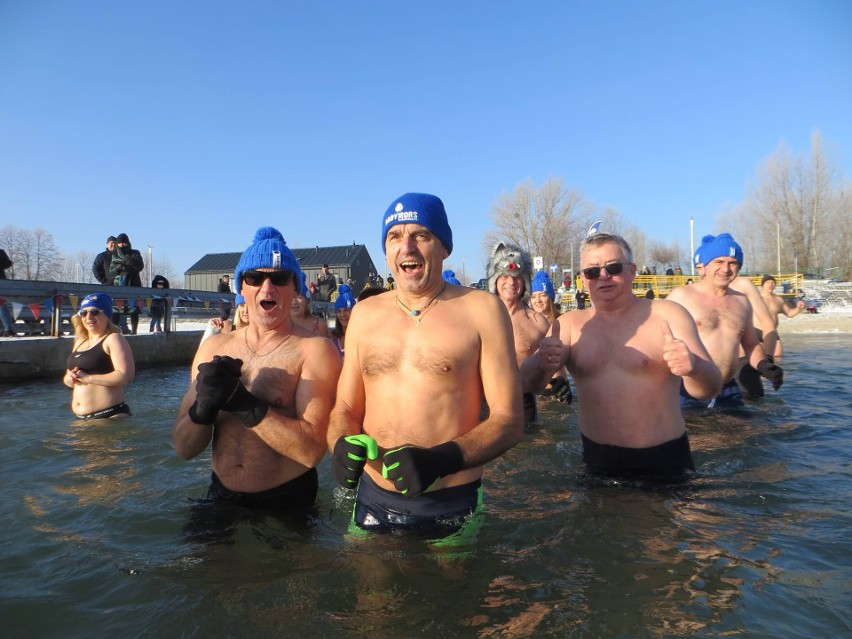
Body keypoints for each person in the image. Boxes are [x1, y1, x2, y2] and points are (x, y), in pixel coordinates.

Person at [327, 192, 523, 537]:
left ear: (444, 247)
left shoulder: (482, 310)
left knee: (453, 591)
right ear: (386, 251)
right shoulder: (364, 315)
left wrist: (443, 459)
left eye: (421, 235)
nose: (408, 247)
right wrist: (340, 443)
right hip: (372, 498)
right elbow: (344, 407)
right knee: (371, 590)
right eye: (395, 237)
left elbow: (509, 419)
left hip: (451, 500)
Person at [522, 232, 721, 480]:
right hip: (599, 464)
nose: (603, 276)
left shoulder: (668, 315)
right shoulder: (570, 325)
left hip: (667, 462)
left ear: (632, 271)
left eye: (614, 268)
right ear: (583, 279)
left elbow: (710, 389)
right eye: (593, 272)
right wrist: (540, 364)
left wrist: (694, 367)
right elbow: (527, 384)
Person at [172, 227, 341, 513]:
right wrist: (203, 408)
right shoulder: (213, 348)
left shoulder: (316, 350)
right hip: (220, 495)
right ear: (241, 288)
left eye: (279, 278)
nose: (267, 287)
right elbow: (183, 448)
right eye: (255, 277)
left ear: (295, 289)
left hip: (286, 500)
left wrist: (245, 405)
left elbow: (311, 452)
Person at [667, 234, 783, 409]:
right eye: (719, 262)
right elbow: (652, 338)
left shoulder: (742, 302)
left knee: (743, 434)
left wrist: (764, 364)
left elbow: (751, 344)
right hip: (688, 388)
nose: (726, 269)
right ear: (704, 266)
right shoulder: (682, 296)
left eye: (732, 263)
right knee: (700, 436)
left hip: (728, 389)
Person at [487, 242, 550, 426]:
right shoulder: (479, 315)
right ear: (495, 280)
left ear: (525, 283)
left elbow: (555, 369)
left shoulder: (538, 322)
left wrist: (560, 383)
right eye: (504, 276)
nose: (511, 283)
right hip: (484, 402)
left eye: (517, 278)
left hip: (524, 403)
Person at [63, 293, 135, 420]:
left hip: (109, 417)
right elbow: (68, 375)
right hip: (82, 419)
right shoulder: (80, 341)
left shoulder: (113, 338)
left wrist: (89, 378)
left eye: (94, 312)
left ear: (106, 315)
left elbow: (126, 376)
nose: (88, 317)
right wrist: (69, 379)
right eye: (83, 313)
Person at [529, 270, 572, 404]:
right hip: (534, 392)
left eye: (542, 295)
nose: (538, 300)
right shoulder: (525, 323)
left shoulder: (562, 321)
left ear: (551, 297)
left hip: (559, 389)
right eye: (533, 296)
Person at [759, 274, 805, 358]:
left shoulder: (778, 300)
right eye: (768, 282)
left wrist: (798, 308)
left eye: (773, 283)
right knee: (759, 358)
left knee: (778, 356)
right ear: (762, 285)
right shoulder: (755, 298)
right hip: (757, 332)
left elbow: (789, 313)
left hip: (773, 332)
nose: (771, 284)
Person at [109, 233, 145, 334]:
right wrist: (119, 267)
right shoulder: (115, 255)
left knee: (134, 309)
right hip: (119, 285)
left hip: (133, 283)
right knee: (116, 310)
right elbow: (111, 271)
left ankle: (134, 331)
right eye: (119, 244)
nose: (121, 245)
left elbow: (140, 266)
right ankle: (114, 332)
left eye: (124, 243)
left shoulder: (135, 253)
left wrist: (131, 260)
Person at [330, 284, 356, 356]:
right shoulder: (333, 337)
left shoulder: (360, 335)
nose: (342, 315)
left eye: (346, 310)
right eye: (339, 311)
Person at [0, 247, 15, 336]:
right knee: (1, 305)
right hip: (2, 282)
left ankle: (8, 329)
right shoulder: (1, 252)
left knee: (1, 306)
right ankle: (8, 329)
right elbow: (7, 264)